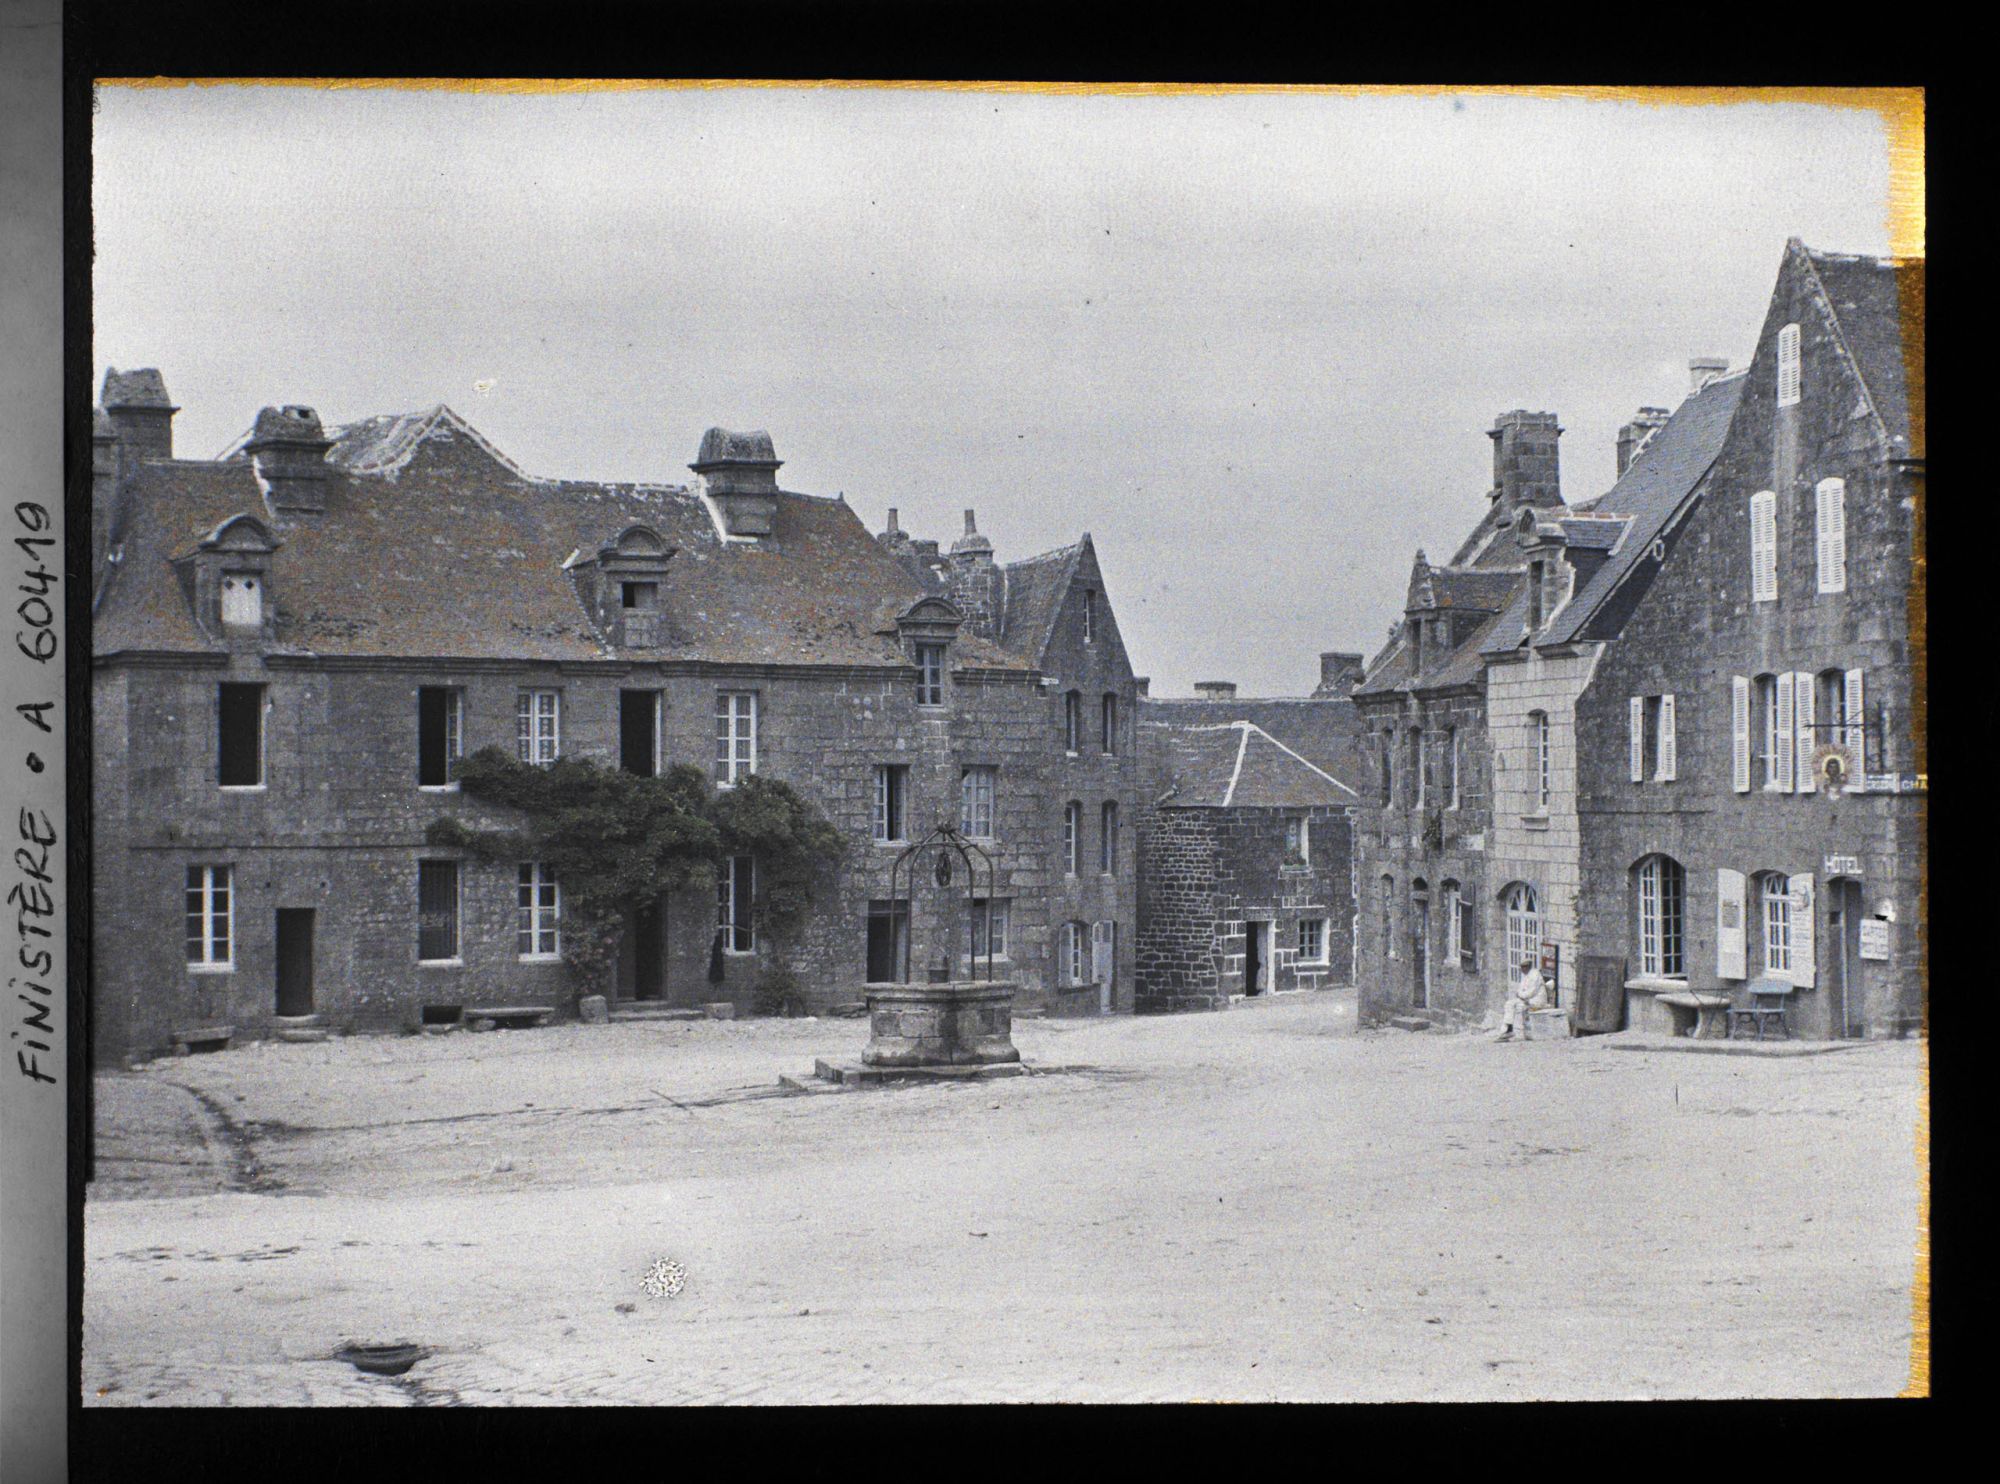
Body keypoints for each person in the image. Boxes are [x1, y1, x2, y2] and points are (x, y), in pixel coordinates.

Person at [1497, 957, 1548, 1042]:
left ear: (1527, 967)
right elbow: (1520, 989)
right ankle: (1508, 1029)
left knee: (1519, 1007)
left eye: (1523, 967)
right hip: (1527, 999)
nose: (1521, 969)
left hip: (1537, 1000)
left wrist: (1521, 995)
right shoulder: (1526, 976)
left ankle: (1517, 1030)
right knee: (1509, 1004)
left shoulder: (1535, 975)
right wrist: (1521, 995)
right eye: (1521, 967)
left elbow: (1531, 992)